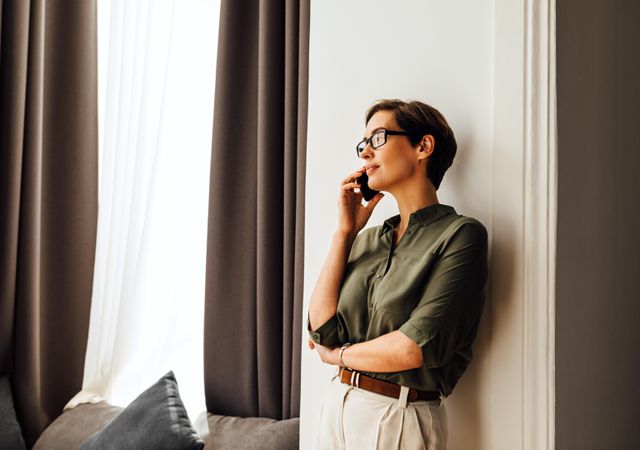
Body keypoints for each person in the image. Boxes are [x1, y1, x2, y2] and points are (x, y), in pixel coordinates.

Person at [306, 98, 489, 449]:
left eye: (377, 138)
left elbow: (413, 347)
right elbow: (321, 329)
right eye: (363, 144)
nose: (365, 154)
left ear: (423, 146)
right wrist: (345, 233)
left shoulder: (461, 234)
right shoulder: (369, 240)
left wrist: (337, 356)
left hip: (398, 414)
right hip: (337, 406)